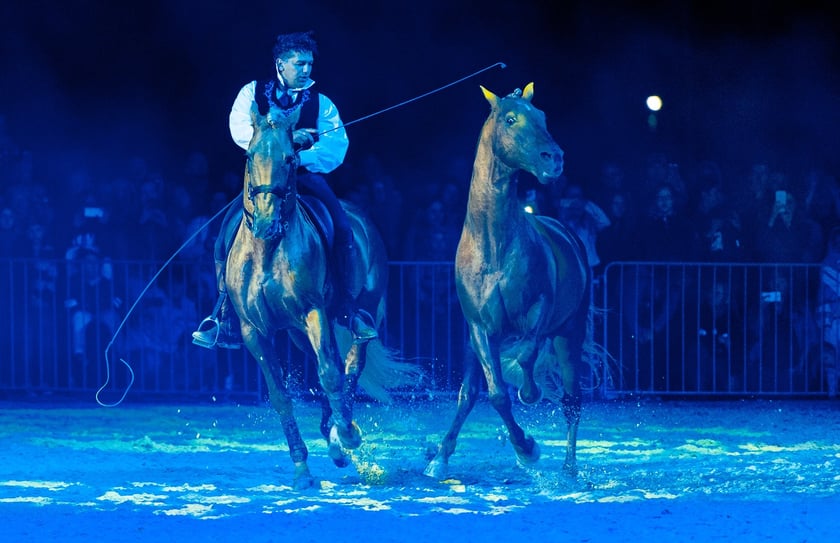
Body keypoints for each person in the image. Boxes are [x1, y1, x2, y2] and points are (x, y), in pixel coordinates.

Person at [192, 30, 377, 350]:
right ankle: (223, 314)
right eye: (299, 63)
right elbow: (242, 131)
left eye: (309, 64)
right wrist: (284, 145)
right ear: (280, 64)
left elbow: (336, 146)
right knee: (223, 235)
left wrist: (300, 155)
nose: (306, 70)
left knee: (343, 227)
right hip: (264, 181)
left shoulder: (322, 103)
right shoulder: (253, 94)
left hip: (304, 179)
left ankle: (348, 307)